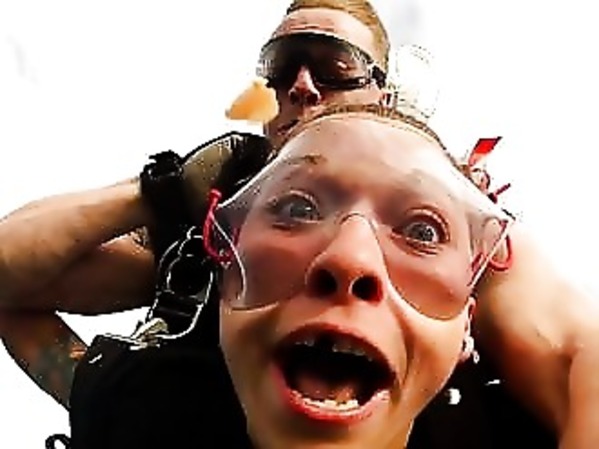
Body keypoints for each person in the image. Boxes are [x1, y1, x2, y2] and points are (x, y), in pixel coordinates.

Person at [0, 1, 597, 448]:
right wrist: (163, 189)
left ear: (385, 92)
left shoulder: (457, 219)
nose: (302, 87)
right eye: (282, 68)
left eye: (335, 65)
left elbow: (578, 358)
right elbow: (12, 280)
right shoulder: (207, 240)